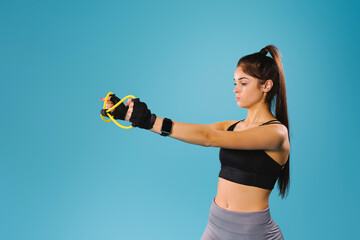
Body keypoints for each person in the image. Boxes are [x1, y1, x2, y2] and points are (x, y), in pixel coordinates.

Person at [100, 44, 290, 240]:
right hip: (216, 224)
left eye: (243, 83)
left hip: (253, 233)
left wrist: (151, 120)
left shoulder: (276, 133)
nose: (235, 89)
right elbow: (202, 130)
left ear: (266, 86)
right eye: (234, 83)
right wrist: (130, 115)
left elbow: (210, 138)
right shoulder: (232, 126)